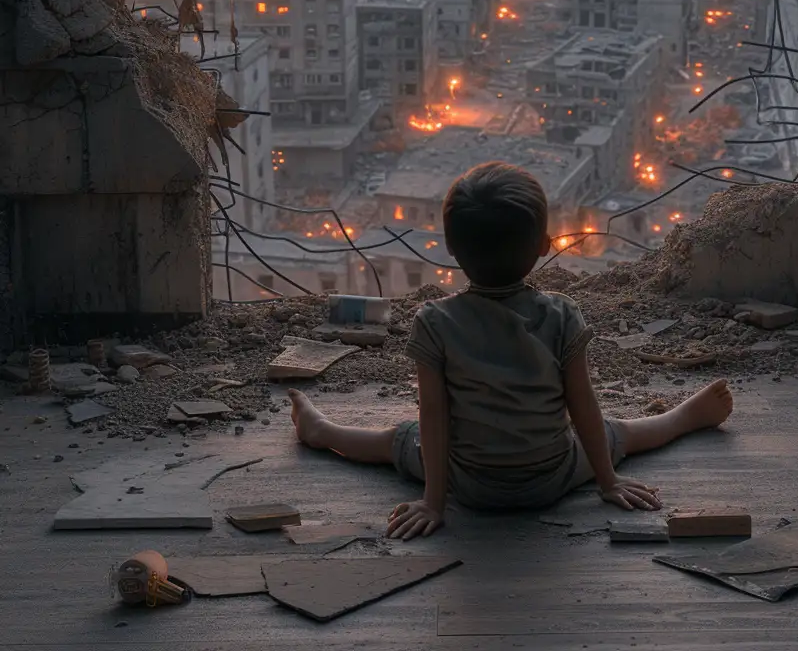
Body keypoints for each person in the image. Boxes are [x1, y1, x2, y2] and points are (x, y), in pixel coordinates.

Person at [289, 160, 733, 537]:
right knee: (621, 430)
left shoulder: (435, 322)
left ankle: (322, 432)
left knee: (397, 439)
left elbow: (434, 417)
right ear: (544, 247)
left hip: (469, 484)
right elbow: (584, 407)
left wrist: (434, 504)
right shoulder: (562, 315)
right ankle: (682, 418)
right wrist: (608, 481)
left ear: (449, 247)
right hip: (552, 477)